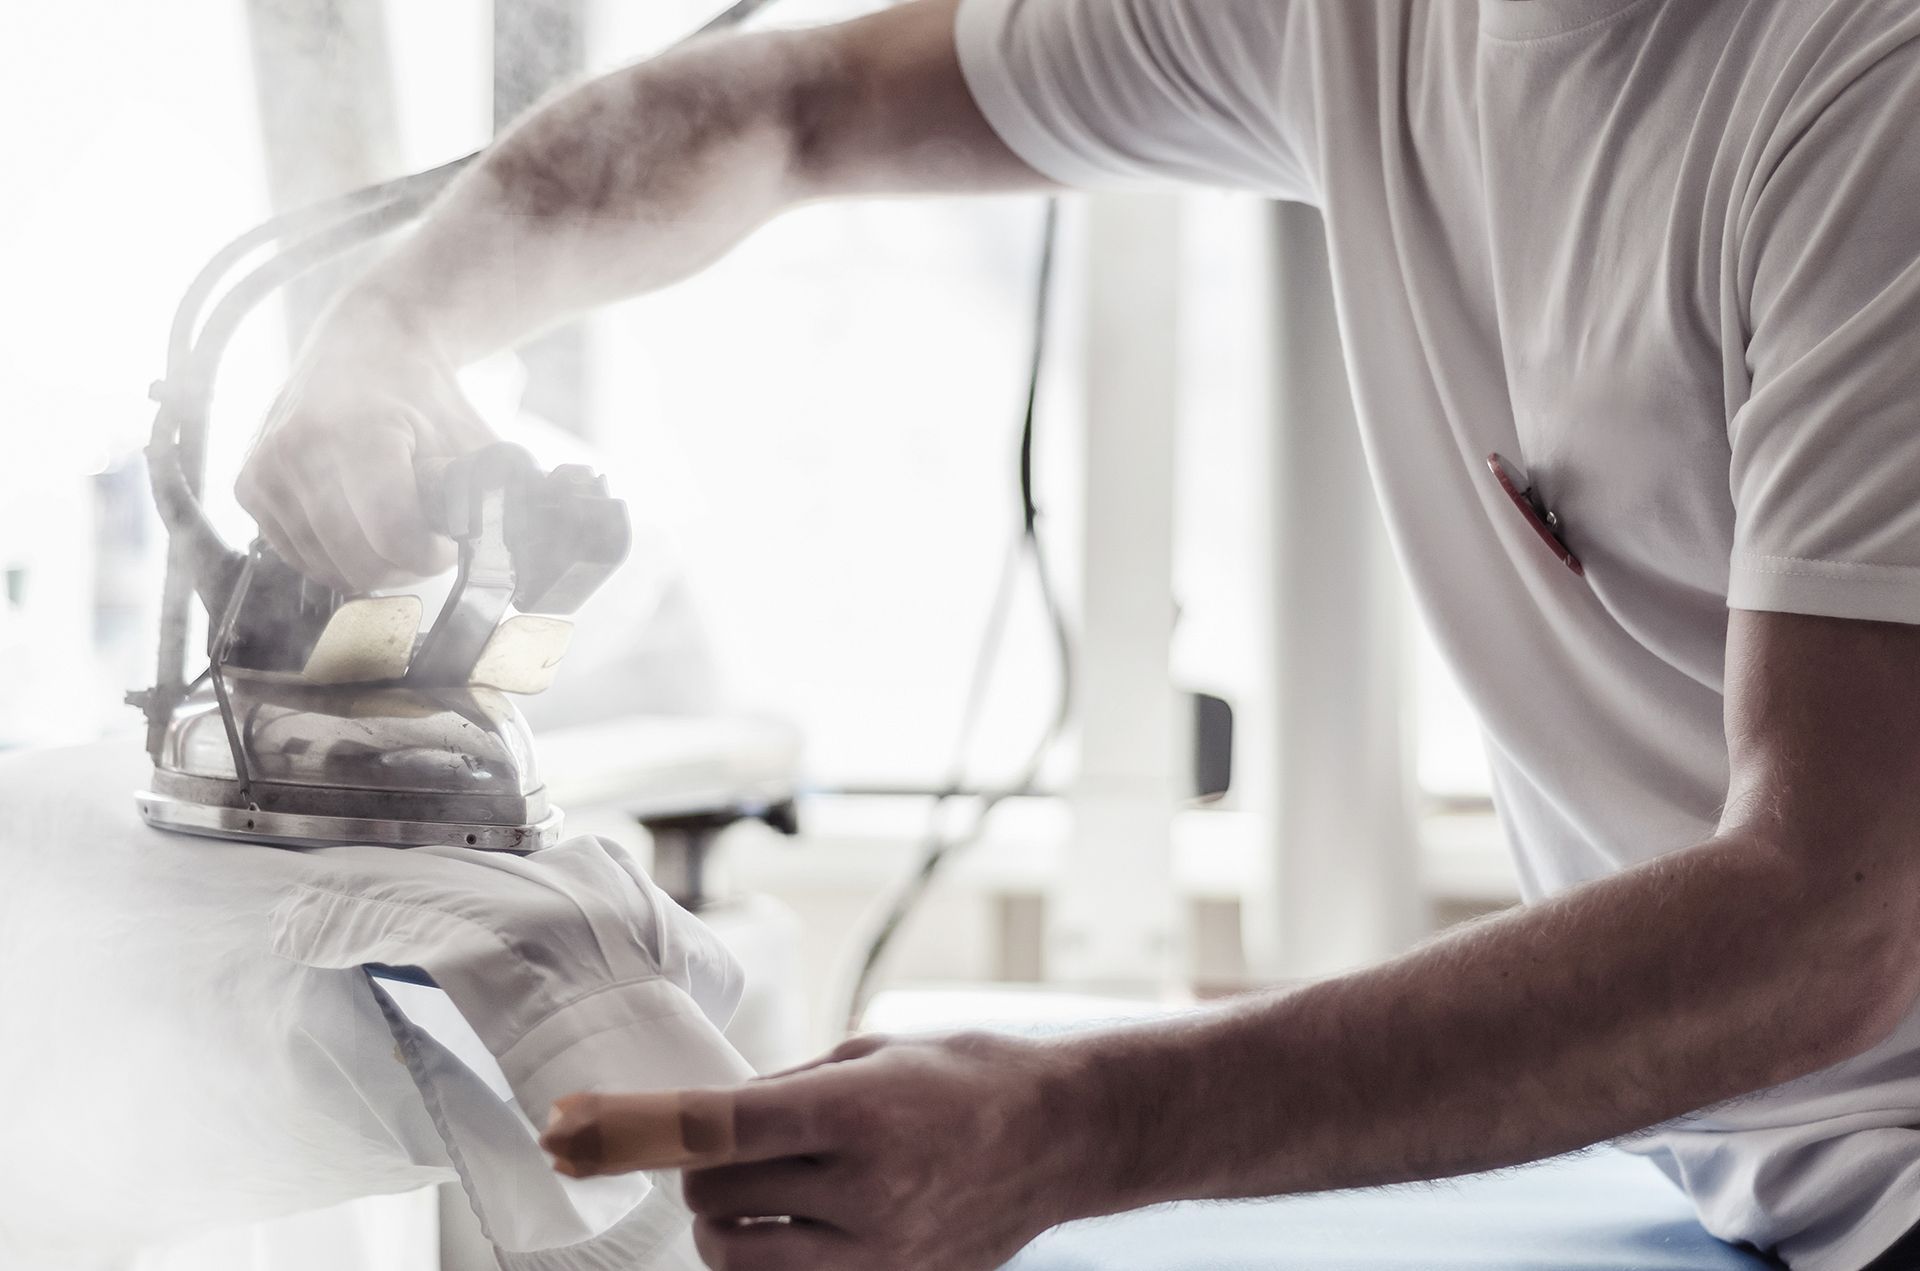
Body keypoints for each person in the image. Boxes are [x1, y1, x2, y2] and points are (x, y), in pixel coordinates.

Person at [238, 1, 1920, 1268]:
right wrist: (393, 324)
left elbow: (1831, 927)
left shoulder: (1861, 89)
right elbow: (788, 105)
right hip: (1747, 1174)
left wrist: (1074, 1120)